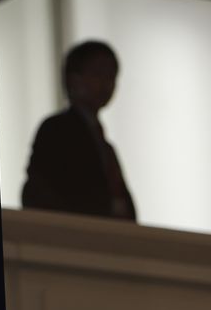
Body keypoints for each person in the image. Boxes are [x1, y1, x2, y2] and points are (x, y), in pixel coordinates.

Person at [21, 40, 137, 221]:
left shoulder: (105, 147)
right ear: (74, 79)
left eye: (111, 75)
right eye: (98, 74)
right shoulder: (56, 130)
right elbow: (38, 192)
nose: (107, 83)